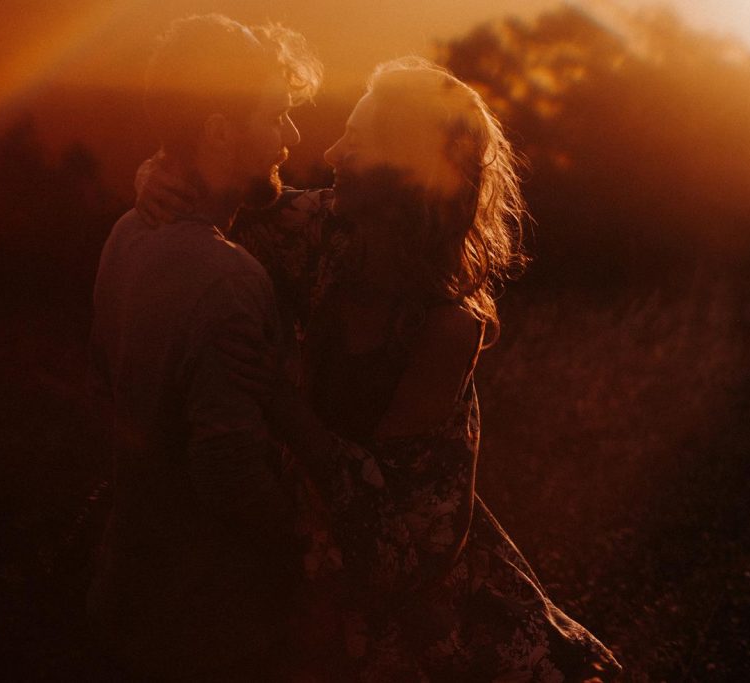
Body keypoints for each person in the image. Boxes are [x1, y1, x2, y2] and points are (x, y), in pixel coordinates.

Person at [139, 59, 621, 681]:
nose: (334, 153)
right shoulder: (328, 232)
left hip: (431, 606)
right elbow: (228, 197)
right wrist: (157, 173)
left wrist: (284, 407)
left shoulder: (446, 326)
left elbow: (401, 540)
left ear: (404, 171)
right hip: (324, 567)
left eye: (358, 140)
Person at [86, 14, 322, 680]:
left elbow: (106, 381)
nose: (291, 137)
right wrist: (302, 544)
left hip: (126, 592)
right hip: (207, 627)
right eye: (274, 116)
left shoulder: (124, 236)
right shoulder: (227, 277)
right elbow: (227, 467)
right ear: (220, 129)